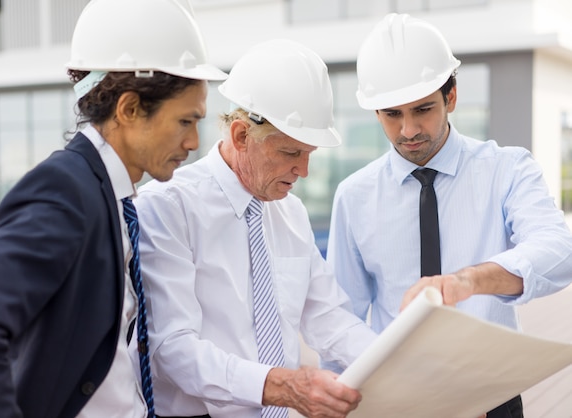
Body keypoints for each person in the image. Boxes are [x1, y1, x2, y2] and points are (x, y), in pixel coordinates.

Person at [0, 0, 227, 417]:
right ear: (129, 109)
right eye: (186, 121)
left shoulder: (109, 196)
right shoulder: (67, 193)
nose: (194, 142)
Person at [327, 12, 572, 418]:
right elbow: (341, 316)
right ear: (375, 113)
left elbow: (559, 250)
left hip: (492, 399)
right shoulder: (353, 196)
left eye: (422, 109)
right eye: (392, 114)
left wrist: (468, 281)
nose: (408, 131)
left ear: (452, 96)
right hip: (398, 402)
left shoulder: (506, 169)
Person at [131, 39, 377, 418]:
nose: (304, 171)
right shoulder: (168, 207)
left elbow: (328, 318)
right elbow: (173, 350)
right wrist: (279, 387)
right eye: (291, 153)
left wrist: (398, 369)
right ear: (241, 136)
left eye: (309, 154)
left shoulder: (290, 213)